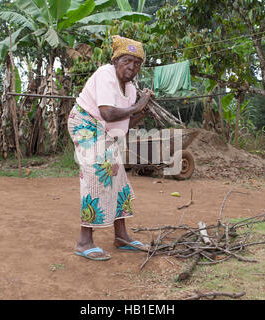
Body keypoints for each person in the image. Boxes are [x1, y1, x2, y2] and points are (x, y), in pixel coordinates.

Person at [67, 35, 154, 261]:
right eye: (127, 61)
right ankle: (84, 241)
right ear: (115, 61)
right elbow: (107, 112)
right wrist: (137, 106)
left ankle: (121, 236)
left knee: (118, 177)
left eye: (137, 63)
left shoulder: (131, 89)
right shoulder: (105, 74)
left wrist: (141, 112)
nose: (132, 67)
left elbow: (121, 125)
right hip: (84, 124)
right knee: (97, 174)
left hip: (103, 130)